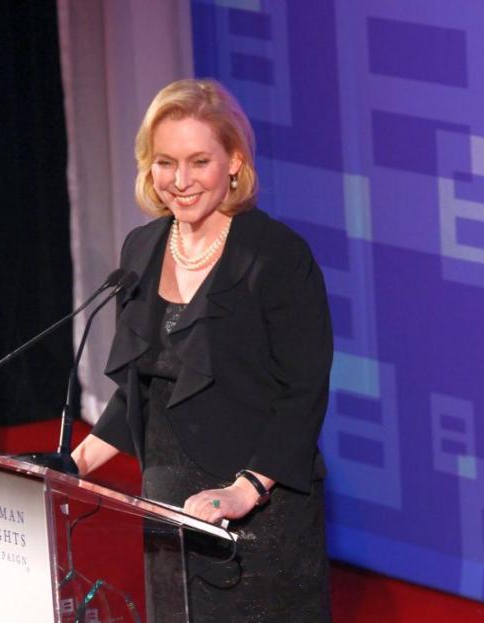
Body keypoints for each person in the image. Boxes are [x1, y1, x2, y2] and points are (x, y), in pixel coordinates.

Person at [72, 78, 333, 622]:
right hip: (168, 496)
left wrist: (246, 490)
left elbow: (303, 391)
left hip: (260, 502)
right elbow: (146, 386)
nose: (181, 181)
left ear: (235, 161)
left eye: (199, 161)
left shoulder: (277, 256)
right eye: (166, 162)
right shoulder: (141, 249)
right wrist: (73, 461)